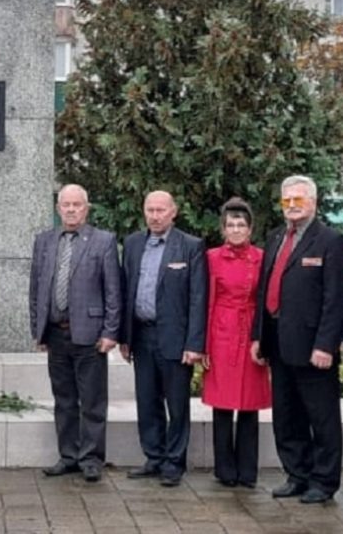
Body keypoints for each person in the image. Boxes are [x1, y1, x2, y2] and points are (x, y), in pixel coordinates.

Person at [251, 175, 343, 504]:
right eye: (286, 201)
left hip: (312, 347)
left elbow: (336, 299)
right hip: (278, 343)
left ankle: (323, 481)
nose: (292, 206)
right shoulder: (276, 237)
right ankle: (297, 474)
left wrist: (326, 345)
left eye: (298, 200)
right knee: (286, 414)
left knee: (321, 417)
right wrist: (258, 337)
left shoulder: (330, 240)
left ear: (313, 203)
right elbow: (264, 291)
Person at [29, 184, 122, 483]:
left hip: (91, 334)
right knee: (64, 399)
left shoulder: (103, 241)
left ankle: (92, 458)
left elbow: (112, 291)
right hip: (56, 334)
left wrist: (110, 331)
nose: (70, 209)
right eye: (65, 204)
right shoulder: (44, 241)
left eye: (76, 205)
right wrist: (38, 329)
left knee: (92, 401)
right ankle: (68, 455)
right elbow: (36, 288)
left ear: (86, 208)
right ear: (58, 208)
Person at [120, 191, 207, 487]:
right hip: (141, 335)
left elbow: (198, 298)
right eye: (150, 210)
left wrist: (195, 344)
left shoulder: (190, 246)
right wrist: (124, 337)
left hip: (175, 338)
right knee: (147, 400)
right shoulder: (132, 244)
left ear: (174, 212)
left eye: (161, 210)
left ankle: (174, 461)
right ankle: (154, 457)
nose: (155, 215)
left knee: (177, 403)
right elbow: (125, 290)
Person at [201, 197, 271, 489]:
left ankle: (247, 470)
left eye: (241, 224)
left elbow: (267, 300)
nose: (236, 229)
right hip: (221, 331)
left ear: (250, 228)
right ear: (223, 228)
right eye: (231, 224)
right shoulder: (212, 257)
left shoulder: (262, 257)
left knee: (248, 403)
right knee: (222, 402)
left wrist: (263, 339)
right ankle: (224, 469)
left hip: (251, 330)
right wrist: (203, 344)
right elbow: (205, 301)